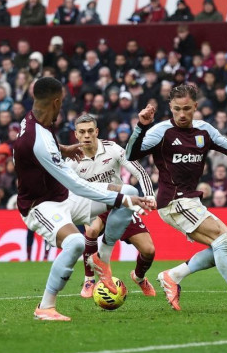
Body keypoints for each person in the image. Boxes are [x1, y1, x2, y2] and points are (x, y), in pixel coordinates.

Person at [12, 77, 154, 321]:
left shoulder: (34, 119)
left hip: (63, 195)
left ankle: (102, 258)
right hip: (41, 206)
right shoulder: (39, 139)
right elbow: (77, 185)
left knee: (130, 191)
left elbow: (42, 144)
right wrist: (118, 200)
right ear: (56, 102)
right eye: (62, 102)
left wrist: (64, 149)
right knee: (76, 243)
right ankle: (45, 307)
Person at [126, 84, 227, 312]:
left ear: (195, 106)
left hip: (191, 201)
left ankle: (174, 275)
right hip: (173, 202)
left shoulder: (205, 130)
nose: (182, 114)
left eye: (186, 109)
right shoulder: (161, 131)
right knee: (221, 241)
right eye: (177, 109)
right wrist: (142, 126)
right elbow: (131, 155)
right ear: (170, 107)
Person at [65, 114, 157, 298]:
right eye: (82, 132)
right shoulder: (72, 162)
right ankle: (89, 279)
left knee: (149, 251)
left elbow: (140, 171)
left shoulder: (112, 149)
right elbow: (69, 192)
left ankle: (139, 277)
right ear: (76, 134)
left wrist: (149, 195)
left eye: (90, 131)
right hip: (95, 206)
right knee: (91, 230)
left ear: (96, 132)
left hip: (121, 204)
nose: (86, 135)